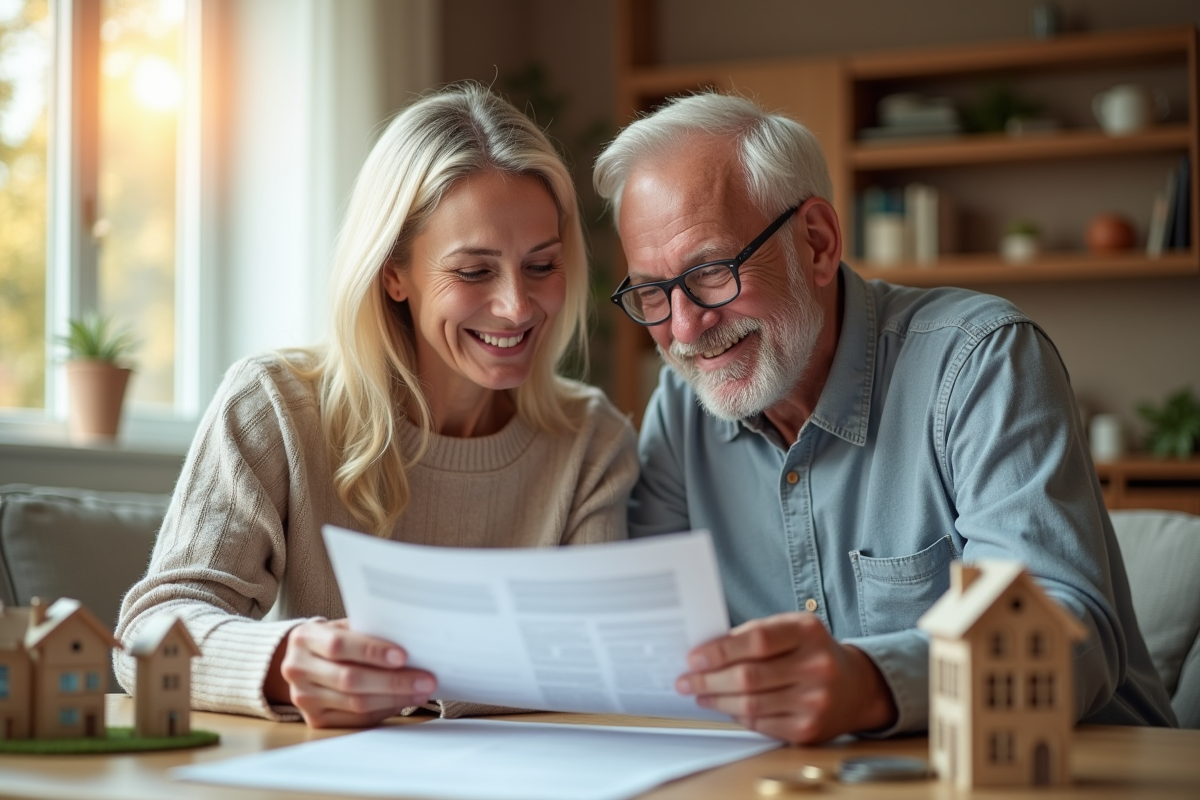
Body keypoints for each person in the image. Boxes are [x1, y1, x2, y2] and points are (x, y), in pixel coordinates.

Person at [593, 92, 1176, 744]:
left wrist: (867, 682)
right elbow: (649, 640)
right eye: (651, 291)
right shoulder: (682, 413)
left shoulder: (983, 362)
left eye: (710, 272)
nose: (683, 327)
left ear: (816, 243)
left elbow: (1067, 634)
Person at [115, 83, 638, 728]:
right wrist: (286, 658)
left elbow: (597, 659)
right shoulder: (273, 405)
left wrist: (419, 677)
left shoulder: (592, 441)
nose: (517, 306)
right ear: (394, 273)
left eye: (542, 265)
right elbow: (147, 636)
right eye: (474, 271)